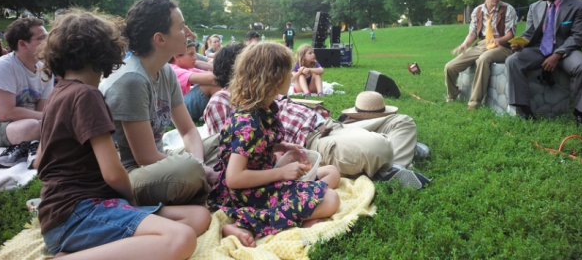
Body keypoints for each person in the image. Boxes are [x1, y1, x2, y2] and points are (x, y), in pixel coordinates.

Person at [36, 10, 210, 258]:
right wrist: (133, 204)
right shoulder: (87, 95)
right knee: (181, 238)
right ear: (106, 53)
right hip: (77, 214)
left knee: (198, 216)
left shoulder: (58, 93)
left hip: (76, 210)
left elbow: (39, 160)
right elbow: (113, 172)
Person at [204, 43, 431, 189]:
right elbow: (229, 153)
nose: (292, 74)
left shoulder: (267, 97)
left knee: (402, 121)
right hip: (314, 141)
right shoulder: (223, 103)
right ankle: (393, 157)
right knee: (377, 147)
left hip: (332, 124)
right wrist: (282, 162)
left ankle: (394, 165)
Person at [209, 42, 340, 247]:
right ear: (274, 77)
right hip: (246, 193)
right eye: (289, 71)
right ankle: (244, 223)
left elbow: (258, 146)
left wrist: (283, 147)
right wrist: (282, 173)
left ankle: (303, 207)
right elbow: (234, 178)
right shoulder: (248, 122)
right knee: (331, 199)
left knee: (332, 171)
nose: (292, 75)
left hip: (264, 177)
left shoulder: (266, 107)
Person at [99, 0, 221, 206]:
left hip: (160, 159)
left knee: (226, 141)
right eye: (182, 27)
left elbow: (189, 131)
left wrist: (199, 164)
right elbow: (144, 158)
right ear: (160, 39)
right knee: (189, 169)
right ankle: (209, 188)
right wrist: (197, 169)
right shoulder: (132, 80)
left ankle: (204, 183)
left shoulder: (165, 71)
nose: (189, 34)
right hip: (131, 175)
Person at [506, 0, 582, 126]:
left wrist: (558, 54)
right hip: (539, 49)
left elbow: (578, 36)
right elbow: (530, 32)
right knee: (513, 61)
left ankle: (579, 112)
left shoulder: (579, 6)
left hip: (566, 50)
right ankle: (525, 110)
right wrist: (521, 43)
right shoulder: (535, 7)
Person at [0, 18, 53, 169]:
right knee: (36, 126)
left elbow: (40, 111)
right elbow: (5, 113)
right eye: (41, 39)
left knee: (48, 124)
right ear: (23, 44)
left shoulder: (45, 70)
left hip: (18, 124)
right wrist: (54, 116)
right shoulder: (1, 66)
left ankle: (32, 146)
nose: (49, 43)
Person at [444, 0, 517, 110]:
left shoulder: (508, 9)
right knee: (450, 66)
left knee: (483, 59)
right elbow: (472, 33)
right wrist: (464, 44)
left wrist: (498, 41)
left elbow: (511, 35)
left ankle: (474, 104)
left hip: (502, 46)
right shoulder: (477, 11)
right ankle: (452, 94)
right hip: (482, 44)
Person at [169, 39, 218, 122]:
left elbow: (212, 74)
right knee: (208, 85)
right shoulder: (173, 69)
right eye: (191, 54)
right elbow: (211, 78)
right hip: (172, 117)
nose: (195, 58)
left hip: (178, 109)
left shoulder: (186, 69)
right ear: (176, 56)